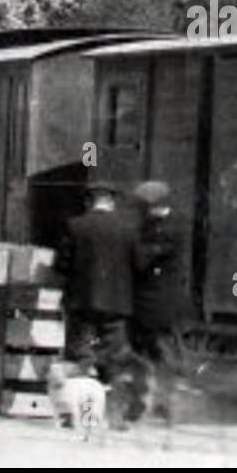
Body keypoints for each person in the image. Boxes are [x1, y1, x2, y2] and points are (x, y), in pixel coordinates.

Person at [57, 182, 143, 426]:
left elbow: (62, 265)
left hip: (81, 304)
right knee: (116, 362)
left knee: (79, 359)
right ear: (112, 201)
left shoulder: (75, 226)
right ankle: (115, 418)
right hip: (117, 306)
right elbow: (138, 266)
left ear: (89, 201)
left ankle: (80, 417)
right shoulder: (129, 229)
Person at [130, 180, 182, 364]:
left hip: (156, 294)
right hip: (152, 292)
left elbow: (144, 257)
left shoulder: (164, 229)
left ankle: (168, 368)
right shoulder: (157, 225)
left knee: (157, 339)